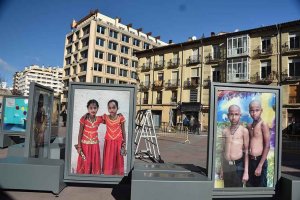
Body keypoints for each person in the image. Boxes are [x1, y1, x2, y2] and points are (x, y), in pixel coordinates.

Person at [220, 105, 249, 187]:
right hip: (226, 165)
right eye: (231, 114)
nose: (233, 117)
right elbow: (223, 150)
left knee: (237, 189)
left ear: (240, 115)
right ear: (228, 115)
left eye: (236, 114)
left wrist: (246, 171)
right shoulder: (225, 131)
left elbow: (246, 151)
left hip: (238, 165)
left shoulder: (244, 131)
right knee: (226, 188)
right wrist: (222, 168)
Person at [76, 99, 103, 174]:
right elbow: (80, 133)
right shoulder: (83, 119)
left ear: (97, 108)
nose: (93, 110)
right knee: (85, 161)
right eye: (91, 108)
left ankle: (94, 178)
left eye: (95, 108)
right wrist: (79, 146)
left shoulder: (99, 119)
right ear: (88, 109)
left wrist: (118, 115)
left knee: (94, 161)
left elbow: (109, 119)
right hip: (85, 145)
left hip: (95, 145)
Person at [247, 100, 270, 187]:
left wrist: (260, 165)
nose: (254, 113)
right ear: (249, 111)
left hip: (260, 160)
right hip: (251, 160)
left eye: (257, 110)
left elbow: (267, 145)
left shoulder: (263, 124)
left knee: (261, 188)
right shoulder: (249, 126)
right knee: (250, 187)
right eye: (252, 111)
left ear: (261, 110)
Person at [102, 99, 126, 175]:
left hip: (118, 142)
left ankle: (117, 178)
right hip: (109, 142)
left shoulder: (121, 118)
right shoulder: (105, 117)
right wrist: (87, 114)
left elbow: (123, 131)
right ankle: (109, 176)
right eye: (109, 108)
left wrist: (124, 144)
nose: (111, 110)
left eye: (113, 107)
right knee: (109, 160)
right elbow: (95, 119)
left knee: (118, 159)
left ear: (117, 108)